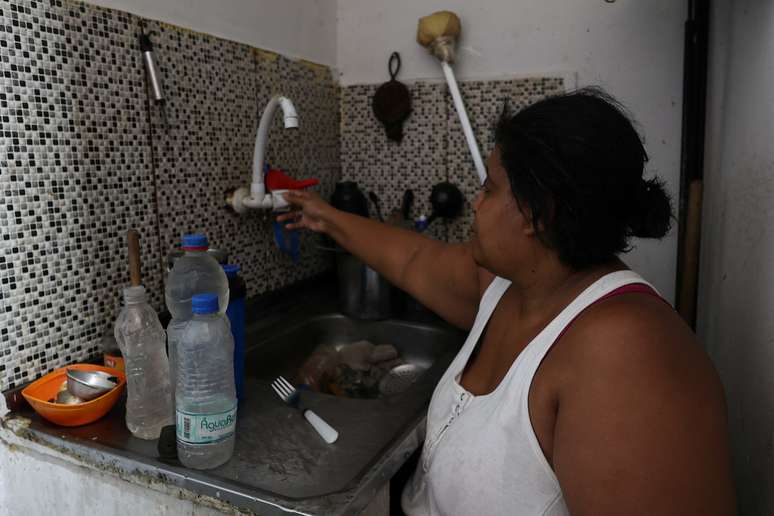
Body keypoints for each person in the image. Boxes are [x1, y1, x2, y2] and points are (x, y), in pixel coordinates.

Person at [280, 88, 736, 515]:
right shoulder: (510, 287)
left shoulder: (628, 354)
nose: (476, 204)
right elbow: (415, 259)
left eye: (490, 188)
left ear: (538, 212)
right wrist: (327, 217)